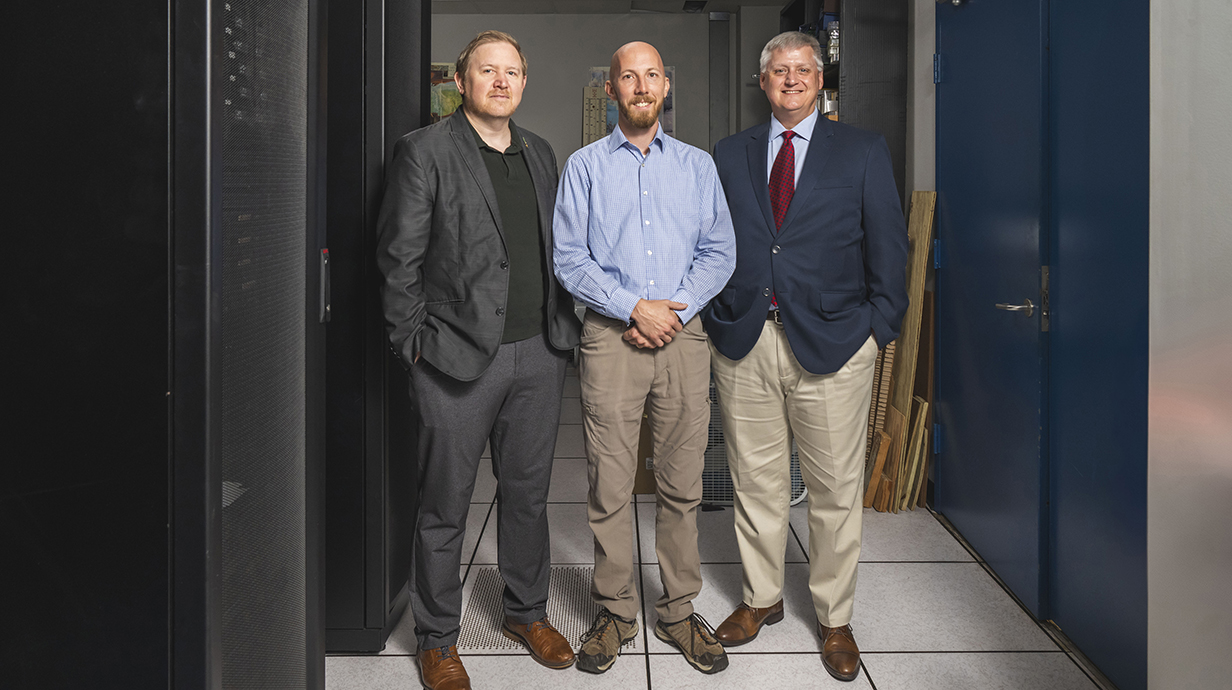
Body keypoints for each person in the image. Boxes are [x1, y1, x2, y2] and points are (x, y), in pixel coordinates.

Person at [376, 30, 582, 690]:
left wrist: (564, 331)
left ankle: (526, 612)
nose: (501, 81)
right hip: (453, 360)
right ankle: (437, 638)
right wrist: (411, 346)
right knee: (444, 505)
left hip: (539, 354)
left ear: (524, 83)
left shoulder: (541, 153)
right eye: (486, 70)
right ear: (459, 81)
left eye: (512, 72)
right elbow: (397, 261)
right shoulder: (425, 151)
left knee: (526, 496)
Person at [704, 31, 909, 683]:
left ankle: (835, 616)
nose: (790, 79)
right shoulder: (729, 153)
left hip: (838, 343)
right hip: (746, 341)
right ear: (762, 84)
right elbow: (710, 242)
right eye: (778, 70)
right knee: (755, 480)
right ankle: (760, 600)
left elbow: (889, 248)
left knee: (833, 490)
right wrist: (717, 316)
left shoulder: (863, 150)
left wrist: (880, 327)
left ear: (821, 81)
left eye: (803, 69)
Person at [553, 41, 736, 677]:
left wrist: (675, 311)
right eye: (627, 77)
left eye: (651, 75)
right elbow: (569, 258)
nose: (640, 86)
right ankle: (615, 610)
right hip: (611, 337)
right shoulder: (583, 167)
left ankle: (679, 610)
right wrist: (636, 307)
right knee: (610, 481)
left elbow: (720, 252)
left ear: (666, 86)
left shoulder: (697, 167)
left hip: (683, 339)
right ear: (611, 90)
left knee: (682, 484)